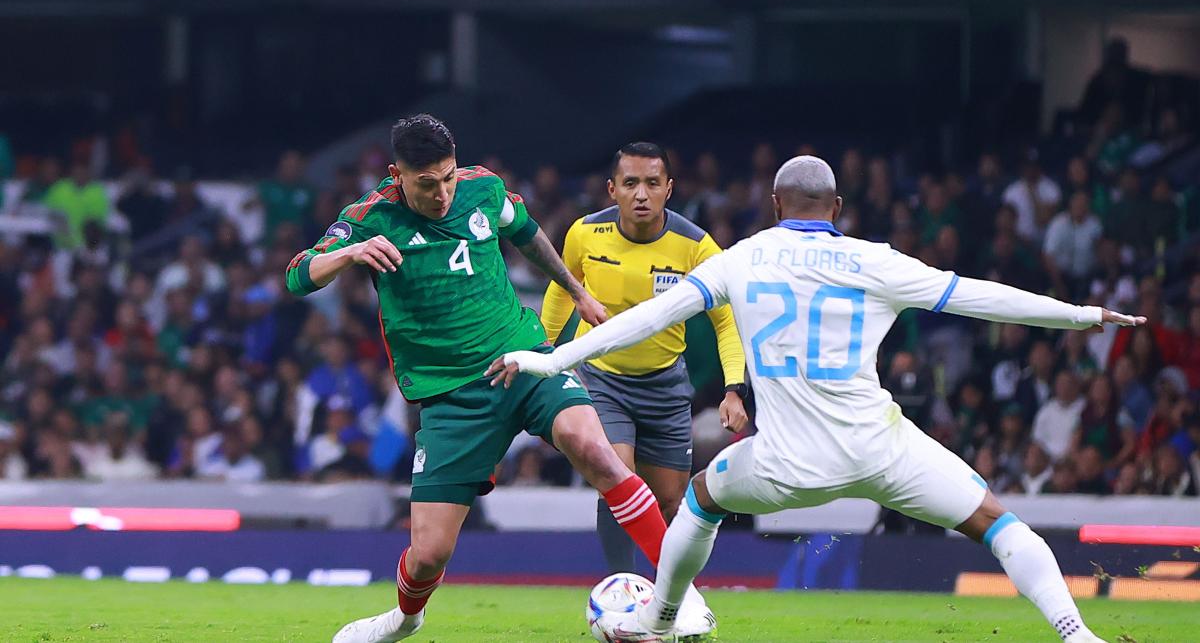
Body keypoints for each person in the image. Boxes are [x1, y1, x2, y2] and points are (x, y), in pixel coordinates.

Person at [493, 155, 1144, 643]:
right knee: (999, 523)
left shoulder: (739, 259)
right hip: (884, 449)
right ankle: (1075, 632)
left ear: (776, 202)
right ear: (837, 206)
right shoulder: (877, 259)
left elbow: (645, 320)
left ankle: (662, 621)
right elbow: (980, 294)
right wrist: (1082, 314)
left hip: (784, 464)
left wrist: (552, 358)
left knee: (700, 495)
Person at [286, 115, 677, 642]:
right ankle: (404, 618)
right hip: (451, 395)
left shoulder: (483, 188)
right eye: (427, 183)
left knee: (591, 445)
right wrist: (349, 253)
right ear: (396, 174)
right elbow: (296, 275)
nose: (443, 193)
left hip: (524, 358)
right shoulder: (368, 218)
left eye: (447, 177)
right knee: (428, 555)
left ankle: (681, 600)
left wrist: (576, 289)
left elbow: (528, 234)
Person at [539, 142, 748, 575]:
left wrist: (734, 390)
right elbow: (563, 288)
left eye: (652, 183)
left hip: (665, 385)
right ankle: (622, 587)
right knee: (617, 479)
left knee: (670, 501)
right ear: (611, 189)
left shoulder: (696, 247)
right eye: (630, 183)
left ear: (669, 189)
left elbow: (727, 323)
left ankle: (667, 598)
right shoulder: (583, 233)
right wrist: (545, 354)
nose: (641, 194)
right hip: (602, 379)